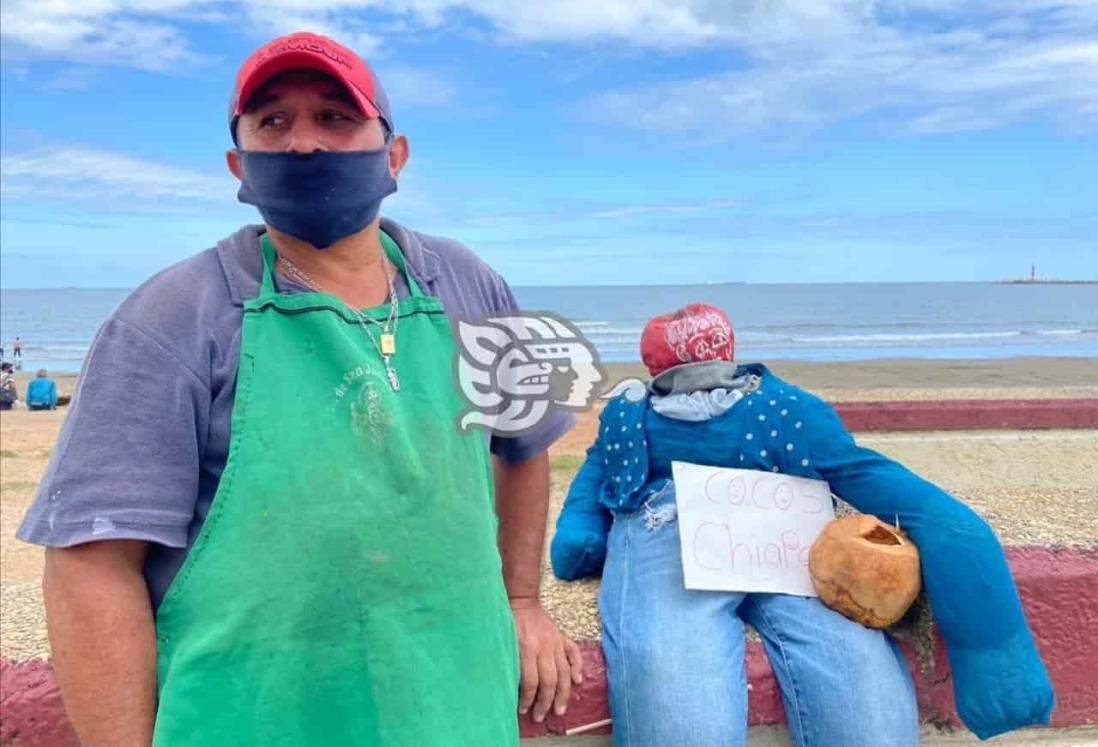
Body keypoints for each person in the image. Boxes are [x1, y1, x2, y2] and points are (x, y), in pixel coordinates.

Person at [18, 32, 581, 747]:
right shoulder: (169, 320)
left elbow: (526, 439)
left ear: (395, 154)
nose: (304, 145)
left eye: (336, 118)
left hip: (455, 707)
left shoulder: (471, 284)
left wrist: (524, 599)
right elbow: (90, 563)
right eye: (273, 123)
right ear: (238, 165)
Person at [552, 304, 1053, 747]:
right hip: (703, 526)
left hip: (781, 532)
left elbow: (594, 477)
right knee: (677, 690)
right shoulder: (773, 411)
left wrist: (579, 543)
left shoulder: (782, 412)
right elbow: (889, 486)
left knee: (857, 687)